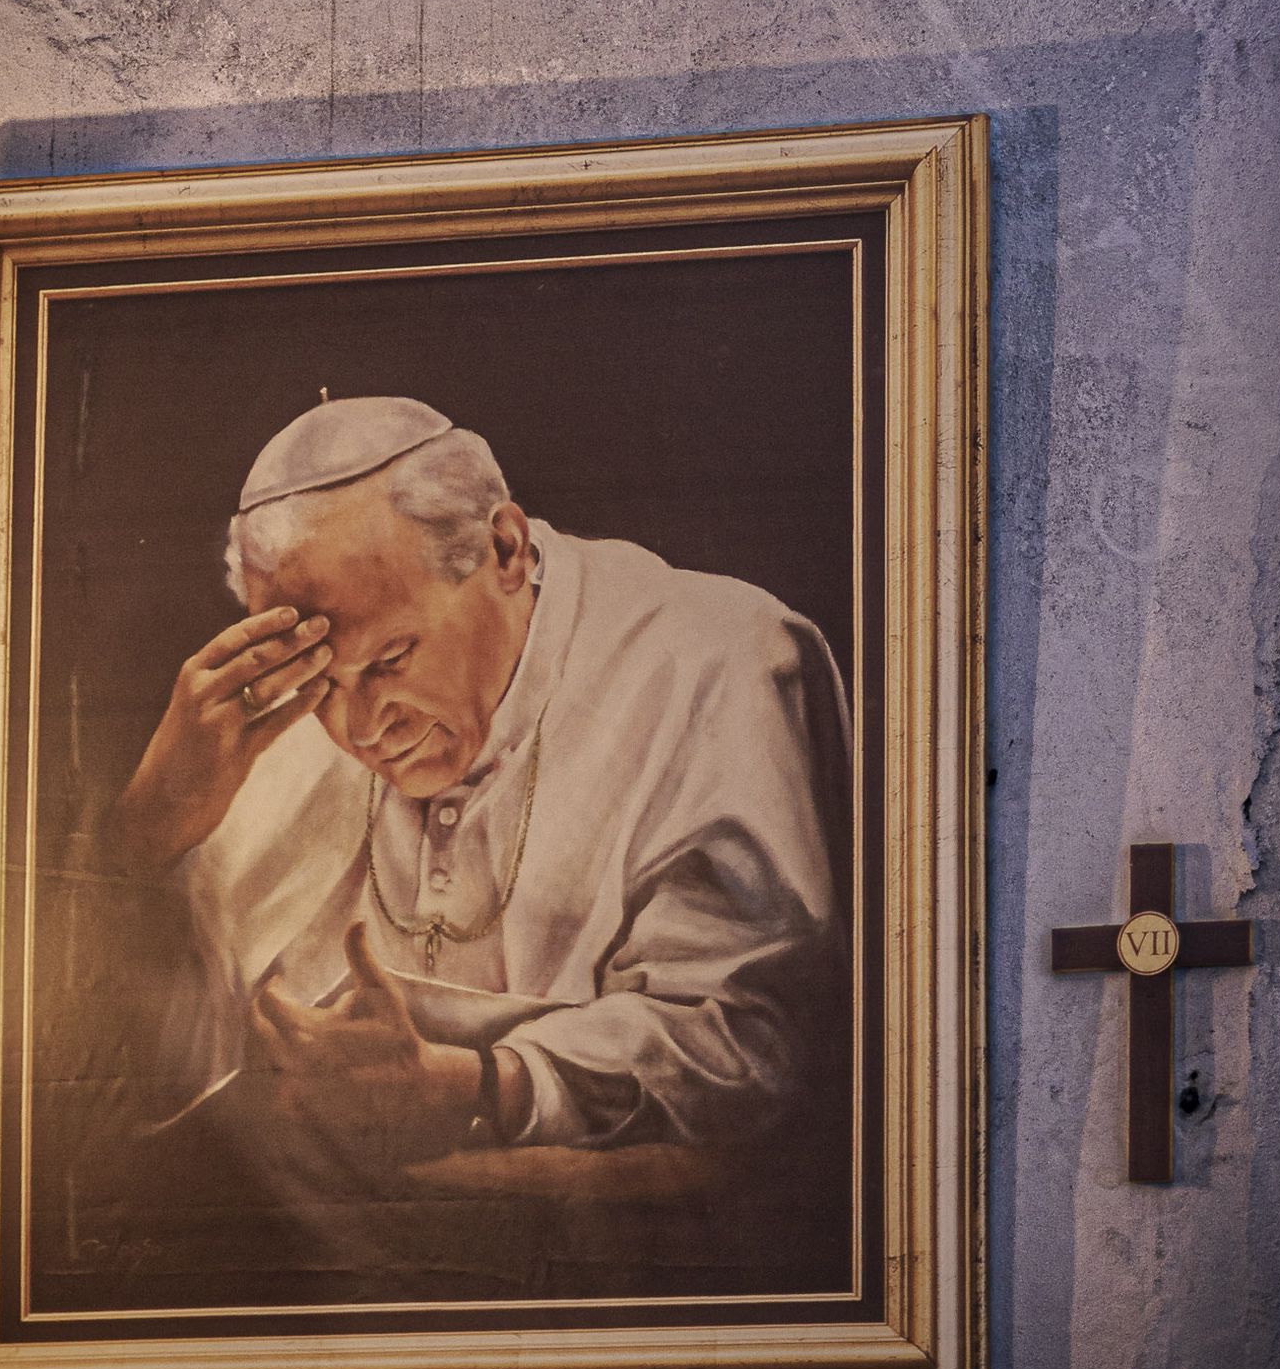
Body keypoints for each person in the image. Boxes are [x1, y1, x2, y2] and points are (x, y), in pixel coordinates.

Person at [107, 395, 851, 1195]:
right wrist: (150, 830)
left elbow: (751, 1041)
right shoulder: (263, 726)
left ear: (505, 549)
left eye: (391, 659)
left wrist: (473, 1086)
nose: (360, 728)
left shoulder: (715, 662)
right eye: (324, 684)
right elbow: (150, 1066)